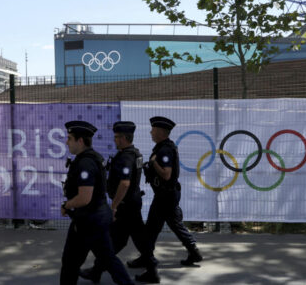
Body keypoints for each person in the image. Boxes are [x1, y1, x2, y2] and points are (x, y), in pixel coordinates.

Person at [60, 121, 133, 285]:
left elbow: (85, 197)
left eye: (70, 138)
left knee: (99, 260)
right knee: (76, 261)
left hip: (90, 221)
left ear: (80, 141)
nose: (67, 142)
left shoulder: (86, 163)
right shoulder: (89, 158)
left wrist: (67, 205)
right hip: (90, 219)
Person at [79, 121, 149, 283]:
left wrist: (114, 205)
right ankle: (97, 271)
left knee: (113, 241)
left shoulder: (126, 157)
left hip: (125, 205)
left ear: (124, 138)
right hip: (132, 202)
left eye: (117, 137)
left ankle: (98, 271)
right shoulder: (135, 153)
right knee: (133, 238)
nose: (115, 140)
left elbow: (124, 183)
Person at [136, 116, 202, 283]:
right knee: (174, 224)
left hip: (165, 195)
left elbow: (166, 174)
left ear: (160, 132)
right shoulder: (163, 147)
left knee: (150, 230)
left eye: (153, 130)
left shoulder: (164, 150)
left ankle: (148, 262)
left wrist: (153, 163)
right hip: (168, 194)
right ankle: (193, 252)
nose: (151, 132)